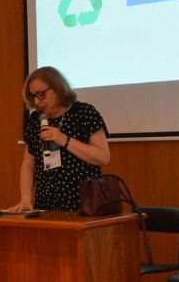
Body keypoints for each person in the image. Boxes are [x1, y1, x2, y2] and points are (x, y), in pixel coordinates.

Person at [7, 66, 110, 212]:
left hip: (83, 206)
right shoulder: (36, 119)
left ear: (57, 88)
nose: (36, 101)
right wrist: (25, 199)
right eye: (33, 96)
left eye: (41, 94)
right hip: (45, 205)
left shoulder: (84, 112)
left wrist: (63, 139)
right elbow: (28, 165)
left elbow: (103, 157)